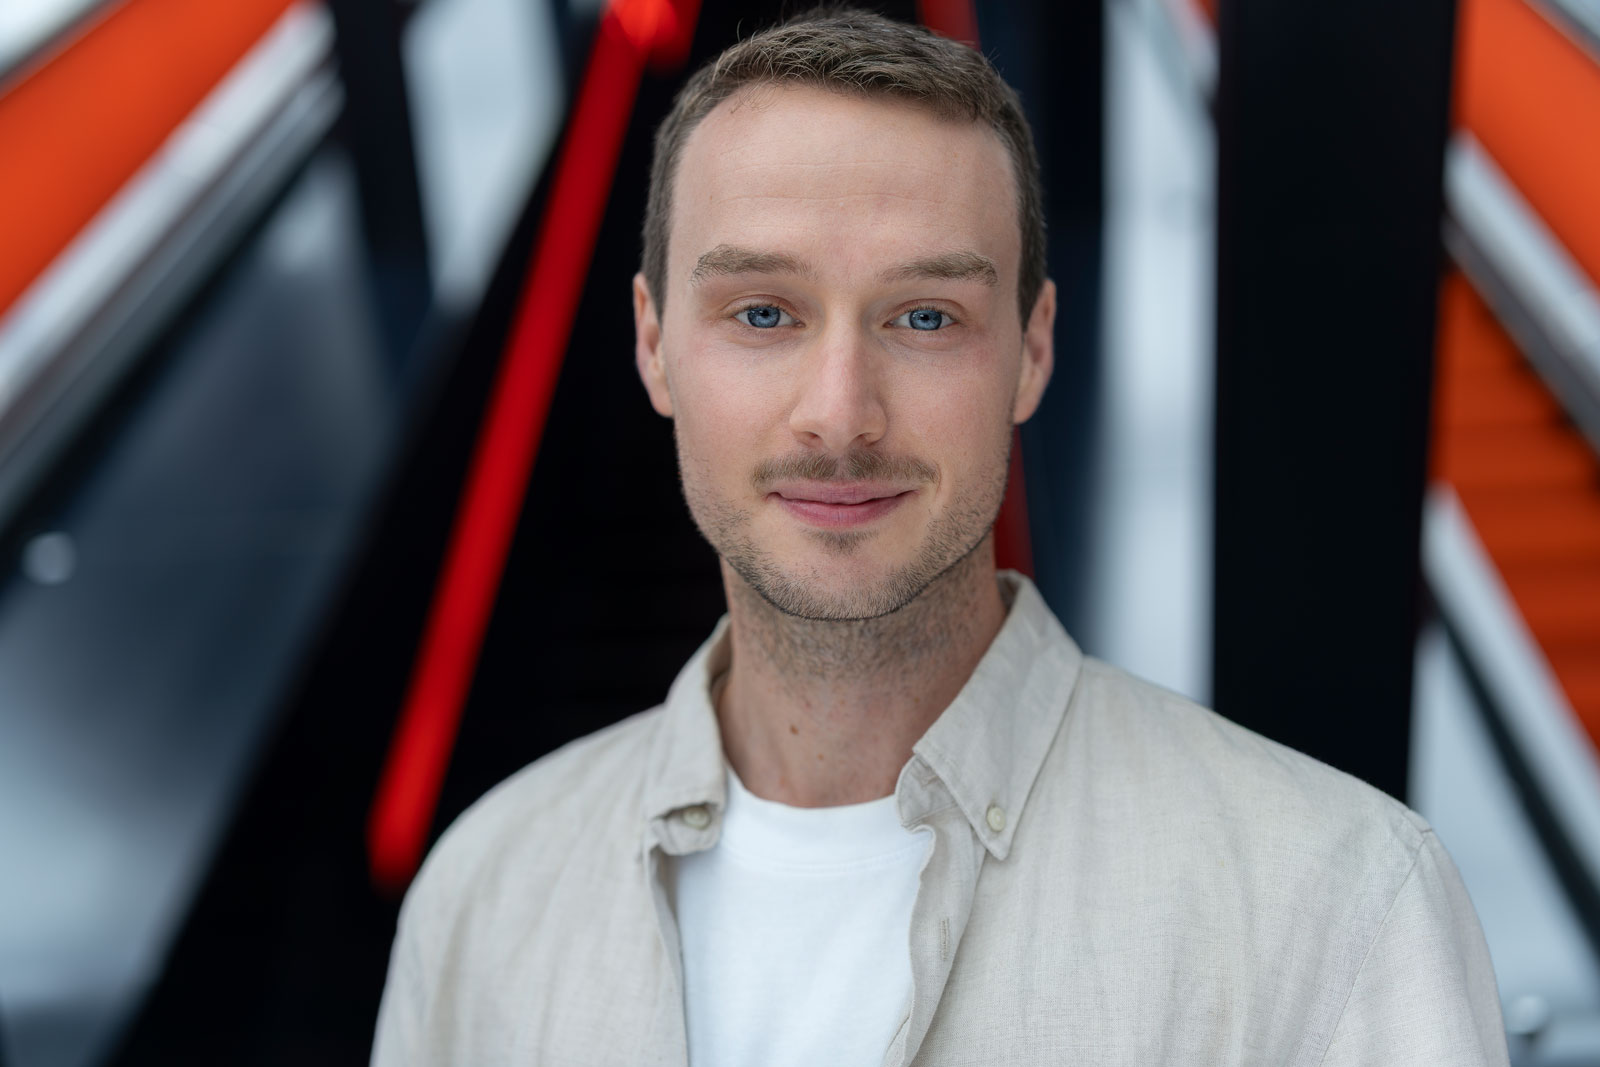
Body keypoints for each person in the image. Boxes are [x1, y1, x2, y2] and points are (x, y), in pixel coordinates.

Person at [371, 9, 1508, 1065]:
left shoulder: (1339, 905)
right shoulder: (484, 898)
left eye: (924, 317)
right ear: (655, 344)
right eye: (762, 312)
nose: (839, 410)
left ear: (1031, 349)